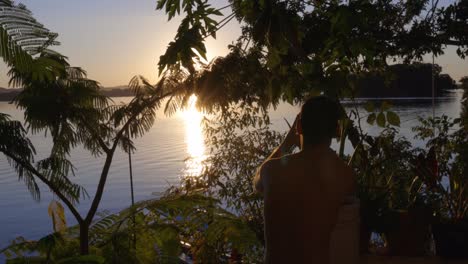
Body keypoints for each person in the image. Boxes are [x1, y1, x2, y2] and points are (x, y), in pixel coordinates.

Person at [253, 96, 355, 263]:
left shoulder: (272, 171)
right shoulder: (345, 175)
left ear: (299, 127)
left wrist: (287, 143)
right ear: (337, 130)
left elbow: (257, 182)